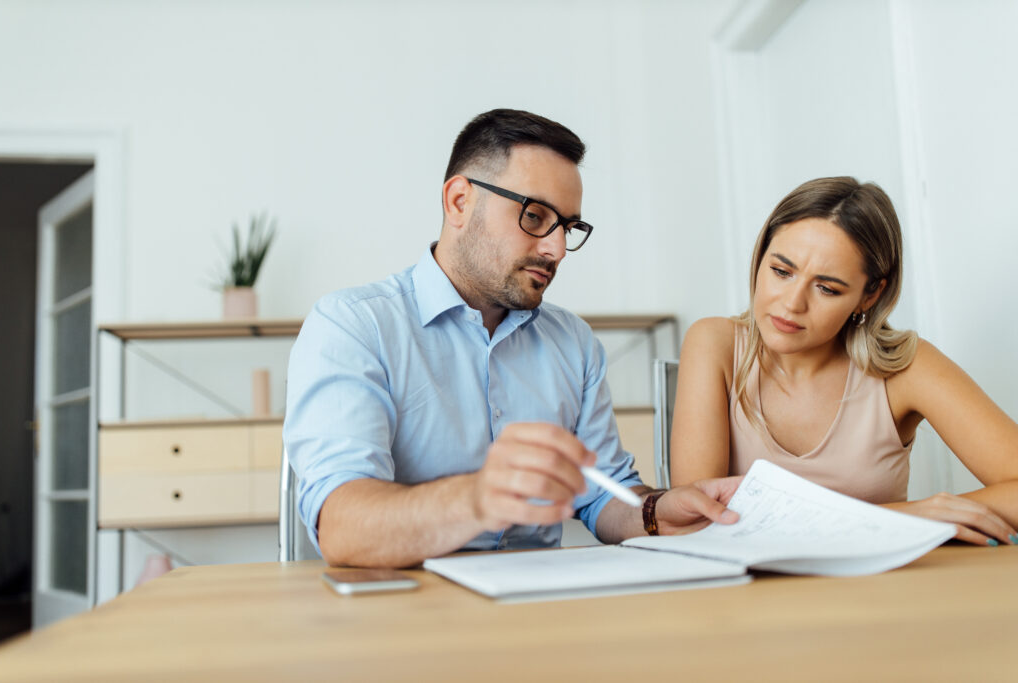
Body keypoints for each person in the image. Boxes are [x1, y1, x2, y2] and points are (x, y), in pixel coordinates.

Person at [284, 109, 741, 568]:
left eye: (568, 226)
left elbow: (602, 495)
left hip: (537, 613)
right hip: (408, 614)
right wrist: (478, 497)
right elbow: (342, 528)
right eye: (535, 215)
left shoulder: (573, 342)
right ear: (459, 201)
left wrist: (659, 510)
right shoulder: (353, 327)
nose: (556, 248)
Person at [669, 176, 1018, 546]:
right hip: (751, 597)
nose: (792, 304)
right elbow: (697, 519)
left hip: (879, 594)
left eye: (827, 288)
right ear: (760, 257)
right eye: (781, 271)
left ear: (870, 295)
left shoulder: (904, 367)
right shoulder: (714, 344)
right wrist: (899, 517)